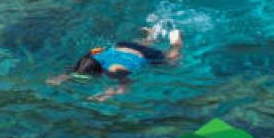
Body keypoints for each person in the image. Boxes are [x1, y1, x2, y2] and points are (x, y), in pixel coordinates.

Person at [45, 28, 183, 101]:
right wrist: (61, 78)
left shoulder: (113, 70)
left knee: (171, 62)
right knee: (139, 45)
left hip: (145, 55)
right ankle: (150, 37)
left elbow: (126, 86)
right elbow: (78, 70)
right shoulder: (90, 59)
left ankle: (176, 43)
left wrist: (110, 93)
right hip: (123, 45)